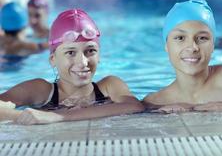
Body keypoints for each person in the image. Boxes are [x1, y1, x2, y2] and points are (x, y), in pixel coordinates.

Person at [0, 9, 144, 125]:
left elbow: (134, 106)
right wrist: (26, 116)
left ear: (99, 56)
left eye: (90, 51)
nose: (82, 62)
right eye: (70, 52)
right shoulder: (41, 91)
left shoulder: (109, 86)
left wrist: (56, 116)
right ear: (53, 59)